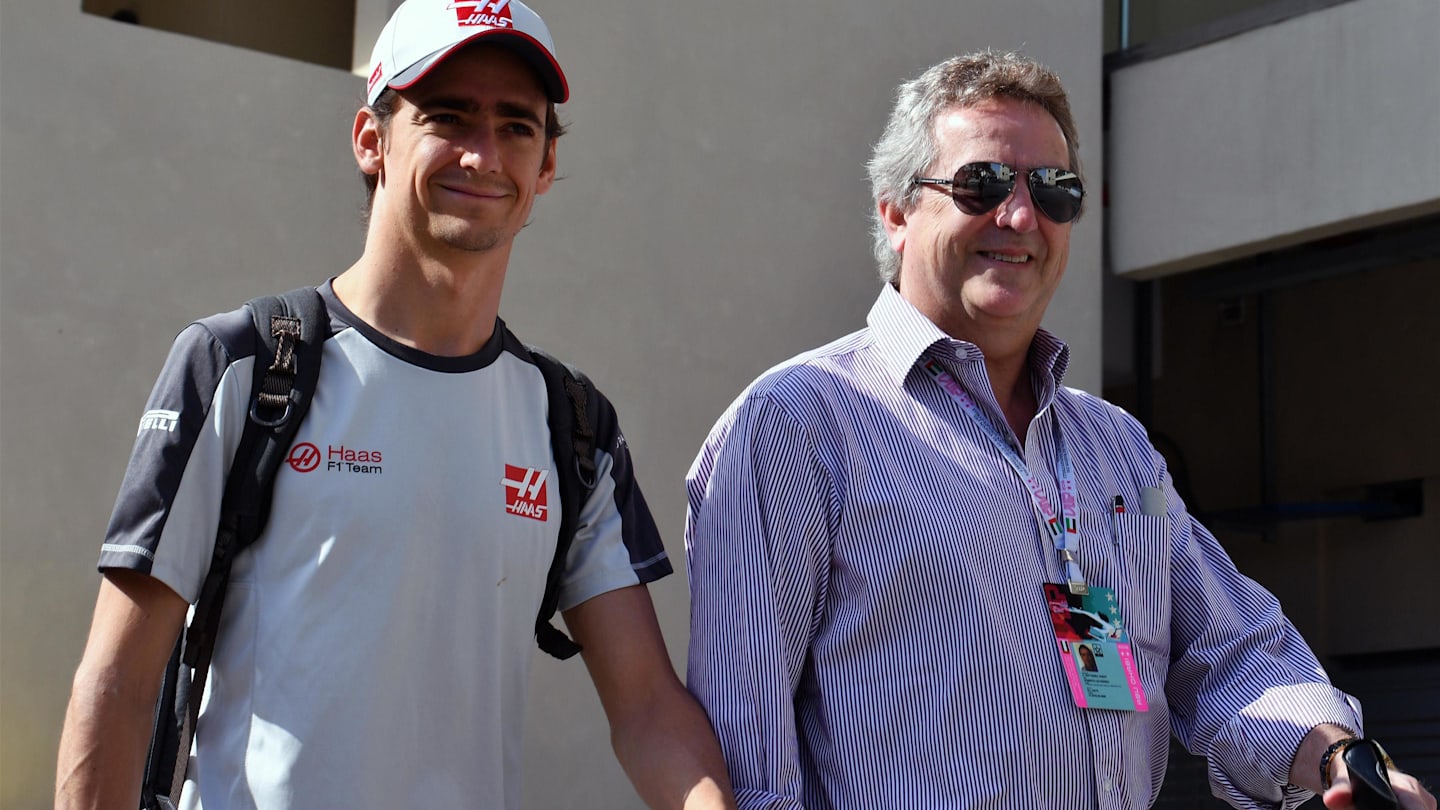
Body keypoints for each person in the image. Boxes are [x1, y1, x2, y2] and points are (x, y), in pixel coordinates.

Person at [683, 51, 1436, 810]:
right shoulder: (796, 423)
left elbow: (1232, 651)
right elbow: (743, 764)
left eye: (1054, 190)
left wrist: (1338, 754)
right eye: (982, 184)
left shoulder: (1117, 448)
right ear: (896, 211)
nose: (1019, 217)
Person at [55, 2, 735, 808]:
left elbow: (649, 708)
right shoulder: (241, 366)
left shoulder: (572, 425)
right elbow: (119, 682)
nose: (483, 154)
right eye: (448, 116)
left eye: (516, 126)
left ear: (547, 164)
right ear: (371, 141)